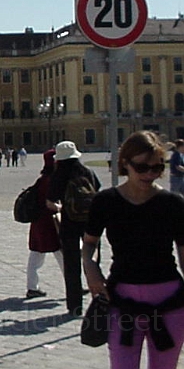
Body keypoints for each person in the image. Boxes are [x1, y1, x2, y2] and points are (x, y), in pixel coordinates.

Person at [83, 131, 184, 369]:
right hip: (122, 300)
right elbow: (89, 243)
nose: (149, 174)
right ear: (125, 163)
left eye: (157, 168)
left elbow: (183, 252)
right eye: (142, 167)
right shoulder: (105, 201)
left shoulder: (173, 204)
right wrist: (90, 266)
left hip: (169, 299)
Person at [46, 139, 100, 316]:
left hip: (69, 223)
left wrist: (62, 208)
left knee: (72, 265)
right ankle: (99, 301)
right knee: (92, 263)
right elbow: (97, 192)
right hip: (91, 223)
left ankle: (75, 306)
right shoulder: (88, 172)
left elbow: (50, 202)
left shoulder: (59, 175)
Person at [25, 149, 63, 298]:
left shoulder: (43, 179)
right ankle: (73, 284)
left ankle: (32, 286)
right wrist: (62, 208)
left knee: (37, 255)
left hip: (39, 222)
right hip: (49, 223)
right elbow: (50, 203)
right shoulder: (50, 180)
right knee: (60, 253)